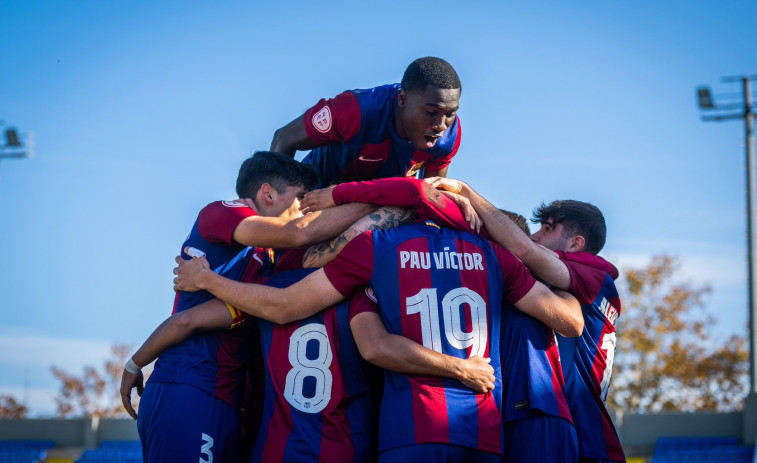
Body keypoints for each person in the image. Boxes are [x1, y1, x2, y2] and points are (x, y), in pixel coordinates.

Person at [174, 217, 583, 462]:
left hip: (408, 430)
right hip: (483, 430)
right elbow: (569, 322)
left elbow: (288, 308)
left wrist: (207, 279)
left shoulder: (374, 252)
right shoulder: (494, 254)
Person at [300, 177, 580, 462]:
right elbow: (572, 322)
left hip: (421, 424)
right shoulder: (496, 260)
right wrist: (572, 289)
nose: (534, 239)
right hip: (491, 423)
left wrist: (338, 193)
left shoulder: (381, 253)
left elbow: (369, 342)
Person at [120, 151, 375, 463]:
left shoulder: (264, 258)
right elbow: (299, 233)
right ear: (267, 193)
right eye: (300, 199)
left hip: (226, 399)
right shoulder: (223, 213)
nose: (305, 209)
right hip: (189, 386)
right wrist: (379, 196)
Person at [427, 178, 625, 463]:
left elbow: (523, 250)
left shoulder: (595, 274)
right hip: (577, 426)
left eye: (546, 228)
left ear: (576, 244)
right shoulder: (572, 281)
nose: (535, 236)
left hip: (583, 432)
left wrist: (466, 192)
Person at [270, 57, 462, 187]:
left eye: (450, 113)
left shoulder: (449, 136)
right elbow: (284, 138)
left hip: (378, 206)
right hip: (320, 191)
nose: (441, 125)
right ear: (402, 99)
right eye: (431, 112)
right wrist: (279, 213)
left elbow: (430, 199)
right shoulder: (355, 110)